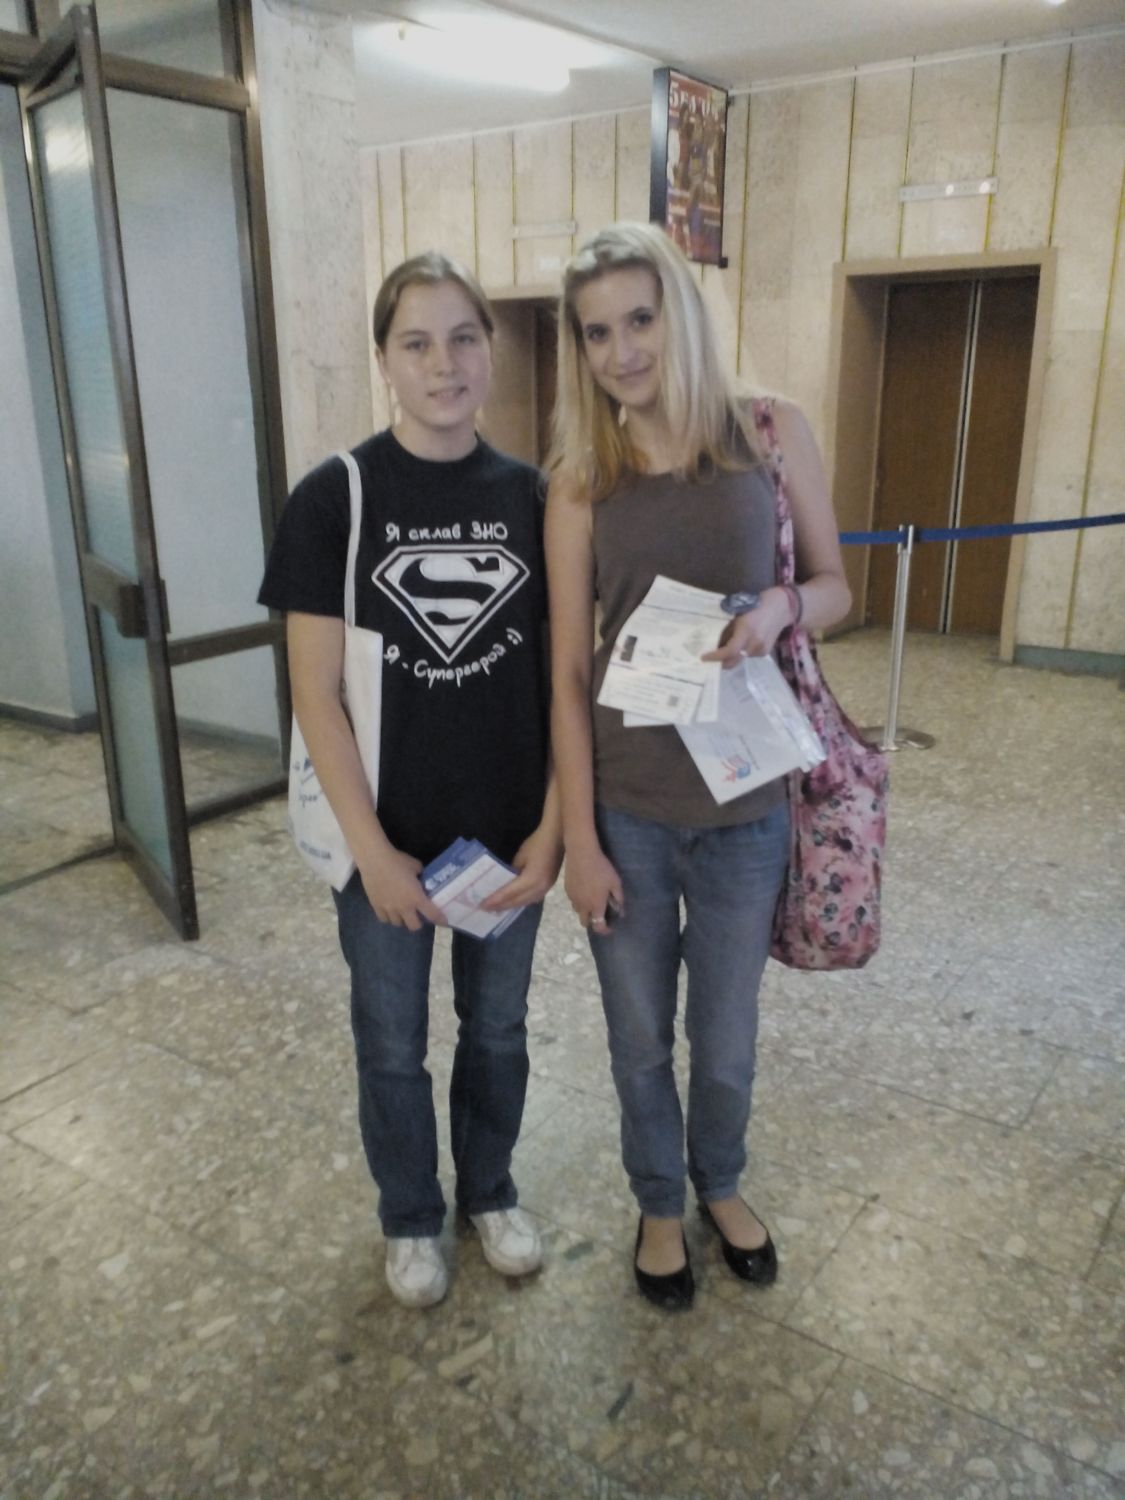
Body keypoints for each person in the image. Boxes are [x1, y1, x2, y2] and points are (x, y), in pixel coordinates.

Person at [545, 223, 850, 1311]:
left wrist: (779, 609)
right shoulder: (581, 479)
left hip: (744, 801)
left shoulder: (769, 432)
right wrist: (579, 842)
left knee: (723, 1041)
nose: (623, 350)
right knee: (638, 1040)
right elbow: (566, 674)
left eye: (640, 318)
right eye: (597, 333)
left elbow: (836, 586)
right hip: (626, 806)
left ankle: (720, 1183)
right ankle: (660, 1203)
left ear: (678, 310)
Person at [259, 252, 561, 1308]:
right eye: (417, 342)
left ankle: (489, 1192)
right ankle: (409, 1215)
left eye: (464, 337)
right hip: (380, 843)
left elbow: (563, 681)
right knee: (391, 1045)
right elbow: (315, 695)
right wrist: (374, 854)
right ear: (384, 360)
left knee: (498, 1031)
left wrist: (554, 828)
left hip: (505, 843)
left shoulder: (533, 498)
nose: (444, 364)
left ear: (492, 349)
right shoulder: (334, 498)